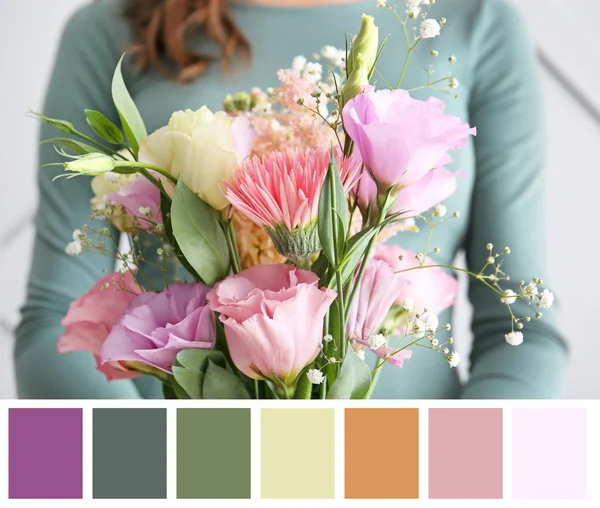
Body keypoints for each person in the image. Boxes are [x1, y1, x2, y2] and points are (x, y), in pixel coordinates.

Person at [14, 0, 568, 399]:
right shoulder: (111, 27)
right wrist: (160, 471)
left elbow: (523, 329)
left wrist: (447, 479)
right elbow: (53, 322)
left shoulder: (477, 21)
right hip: (186, 475)